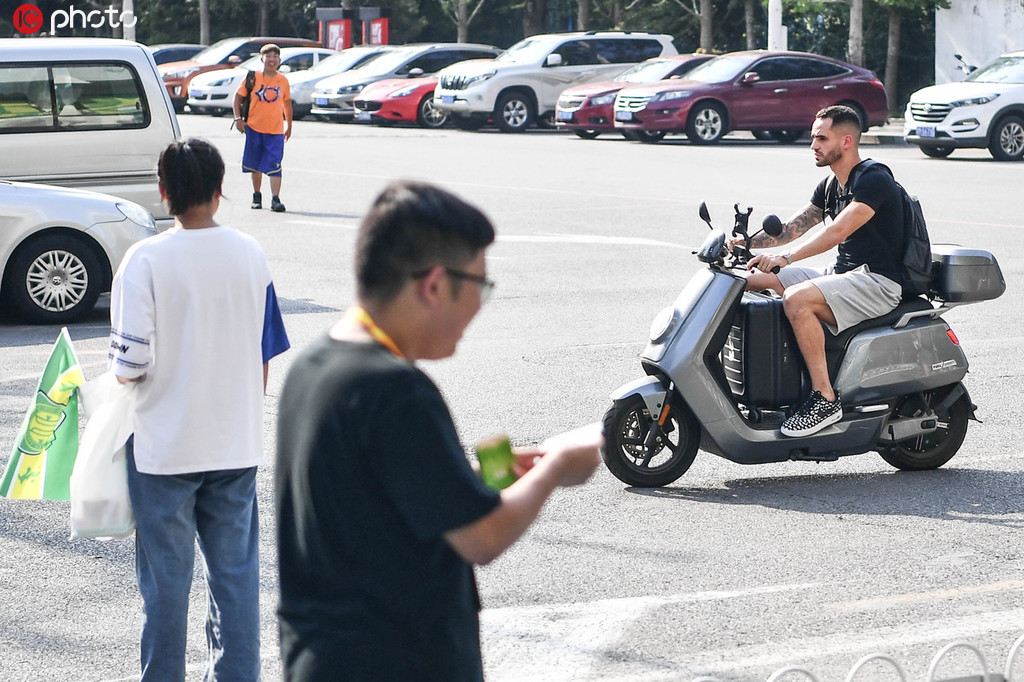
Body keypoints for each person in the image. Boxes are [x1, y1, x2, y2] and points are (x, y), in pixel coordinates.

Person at [274, 180, 603, 682]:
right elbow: (483, 538)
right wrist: (557, 467)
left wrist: (474, 476)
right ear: (433, 284)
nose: (479, 306)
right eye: (479, 286)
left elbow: (370, 495)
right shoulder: (396, 390)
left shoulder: (316, 365)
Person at [108, 137, 290, 681]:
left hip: (164, 449)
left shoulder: (145, 259)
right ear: (218, 190)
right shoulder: (249, 253)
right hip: (234, 444)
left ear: (164, 192)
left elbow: (129, 366)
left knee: (165, 583)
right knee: (234, 577)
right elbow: (264, 353)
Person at [739, 105, 906, 438]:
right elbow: (790, 229)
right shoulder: (831, 185)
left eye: (821, 137)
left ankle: (824, 398)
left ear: (846, 141)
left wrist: (785, 258)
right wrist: (742, 244)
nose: (812, 144)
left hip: (879, 282)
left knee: (797, 299)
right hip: (845, 274)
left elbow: (836, 233)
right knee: (745, 281)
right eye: (813, 136)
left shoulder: (874, 179)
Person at [233, 43, 292, 213]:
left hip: (275, 131)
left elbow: (287, 103)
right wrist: (238, 119)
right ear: (262, 59)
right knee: (255, 164)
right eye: (268, 56)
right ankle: (257, 195)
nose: (272, 60)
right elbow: (237, 98)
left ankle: (275, 199)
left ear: (279, 60)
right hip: (254, 127)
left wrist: (289, 125)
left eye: (275, 57)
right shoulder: (253, 77)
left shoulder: (283, 80)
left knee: (275, 163)